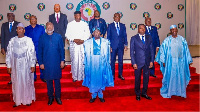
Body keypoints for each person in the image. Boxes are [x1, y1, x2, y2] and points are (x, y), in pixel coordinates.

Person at [155, 25, 193, 98]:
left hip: (180, 62)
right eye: (172, 30)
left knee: (180, 76)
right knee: (171, 77)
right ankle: (170, 92)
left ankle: (181, 92)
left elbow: (186, 51)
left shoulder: (182, 39)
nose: (174, 31)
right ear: (170, 31)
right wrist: (163, 60)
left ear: (177, 30)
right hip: (170, 63)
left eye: (175, 29)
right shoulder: (166, 40)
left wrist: (188, 60)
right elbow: (162, 51)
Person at [6, 23, 36, 107]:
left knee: (26, 82)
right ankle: (17, 101)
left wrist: (32, 64)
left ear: (24, 30)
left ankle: (27, 100)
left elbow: (32, 52)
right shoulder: (12, 40)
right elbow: (9, 54)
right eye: (18, 29)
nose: (19, 30)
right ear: (16, 30)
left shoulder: (28, 40)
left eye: (21, 29)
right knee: (16, 82)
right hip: (15, 66)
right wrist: (8, 65)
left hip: (26, 65)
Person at [83, 27, 114, 103]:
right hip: (92, 63)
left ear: (100, 33)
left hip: (102, 63)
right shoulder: (87, 43)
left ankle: (100, 95)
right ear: (92, 33)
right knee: (93, 78)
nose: (96, 33)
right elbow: (85, 54)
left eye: (98, 32)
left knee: (101, 78)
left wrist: (107, 62)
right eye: (95, 32)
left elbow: (108, 54)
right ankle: (93, 95)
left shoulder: (105, 42)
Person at [38, 22, 65, 105]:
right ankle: (50, 97)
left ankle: (57, 97)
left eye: (51, 26)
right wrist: (41, 63)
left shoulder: (58, 37)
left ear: (53, 27)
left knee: (57, 81)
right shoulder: (42, 37)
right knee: (49, 82)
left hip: (56, 63)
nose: (49, 27)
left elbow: (61, 50)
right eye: (48, 26)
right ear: (46, 27)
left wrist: (62, 60)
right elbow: (40, 51)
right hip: (46, 64)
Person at [130, 24, 154, 101]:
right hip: (138, 62)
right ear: (138, 29)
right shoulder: (134, 38)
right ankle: (137, 94)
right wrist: (133, 62)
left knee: (146, 79)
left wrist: (151, 61)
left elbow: (152, 50)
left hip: (147, 62)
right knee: (137, 79)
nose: (142, 30)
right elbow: (131, 52)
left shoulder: (149, 37)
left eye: (144, 28)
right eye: (141, 28)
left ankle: (144, 93)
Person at [65, 11, 90, 82]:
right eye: (77, 15)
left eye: (79, 15)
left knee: (82, 60)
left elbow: (88, 34)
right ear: (74, 16)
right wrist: (74, 39)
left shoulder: (84, 24)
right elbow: (67, 34)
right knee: (75, 60)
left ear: (81, 16)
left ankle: (82, 76)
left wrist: (83, 40)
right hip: (74, 45)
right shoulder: (70, 24)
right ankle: (75, 77)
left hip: (82, 44)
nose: (78, 17)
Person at [107, 13, 128, 80]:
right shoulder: (110, 25)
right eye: (116, 17)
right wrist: (109, 46)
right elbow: (108, 37)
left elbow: (125, 35)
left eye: (118, 17)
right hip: (113, 46)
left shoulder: (123, 25)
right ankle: (112, 75)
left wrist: (126, 44)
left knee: (120, 61)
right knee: (112, 61)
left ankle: (120, 74)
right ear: (113, 17)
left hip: (121, 46)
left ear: (119, 18)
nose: (117, 18)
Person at [25, 15, 45, 82]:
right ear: (30, 21)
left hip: (39, 47)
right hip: (30, 49)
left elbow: (43, 38)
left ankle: (43, 76)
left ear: (36, 20)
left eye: (34, 19)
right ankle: (33, 77)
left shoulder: (41, 28)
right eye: (31, 19)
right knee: (31, 63)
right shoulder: (27, 28)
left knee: (41, 62)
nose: (33, 20)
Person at [1, 13, 19, 84]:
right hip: (7, 48)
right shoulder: (4, 25)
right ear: (7, 17)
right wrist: (2, 47)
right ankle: (12, 79)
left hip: (16, 47)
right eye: (9, 16)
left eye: (12, 16)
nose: (10, 17)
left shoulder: (18, 24)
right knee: (9, 64)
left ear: (14, 17)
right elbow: (2, 36)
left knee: (17, 64)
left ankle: (17, 78)